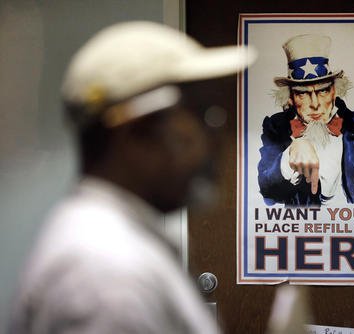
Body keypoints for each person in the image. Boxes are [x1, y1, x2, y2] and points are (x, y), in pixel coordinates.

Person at [10, 21, 255, 333]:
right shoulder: (105, 277)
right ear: (135, 133)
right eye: (201, 116)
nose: (214, 137)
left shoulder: (114, 245)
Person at [258, 34, 354, 206]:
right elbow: (266, 190)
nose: (315, 104)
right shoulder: (276, 127)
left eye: (322, 91)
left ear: (335, 92)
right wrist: (290, 154)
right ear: (290, 99)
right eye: (302, 93)